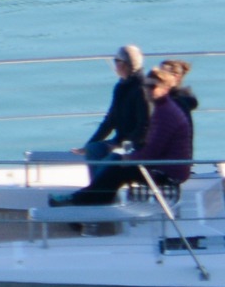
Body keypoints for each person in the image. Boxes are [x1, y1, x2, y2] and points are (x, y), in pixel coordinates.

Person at [64, 51, 196, 205]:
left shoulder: (167, 112)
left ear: (165, 88)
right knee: (103, 155)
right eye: (147, 86)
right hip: (159, 162)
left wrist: (128, 158)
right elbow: (112, 120)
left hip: (168, 170)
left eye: (153, 87)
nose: (147, 90)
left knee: (117, 167)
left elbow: (151, 147)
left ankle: (87, 201)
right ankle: (90, 198)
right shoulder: (162, 107)